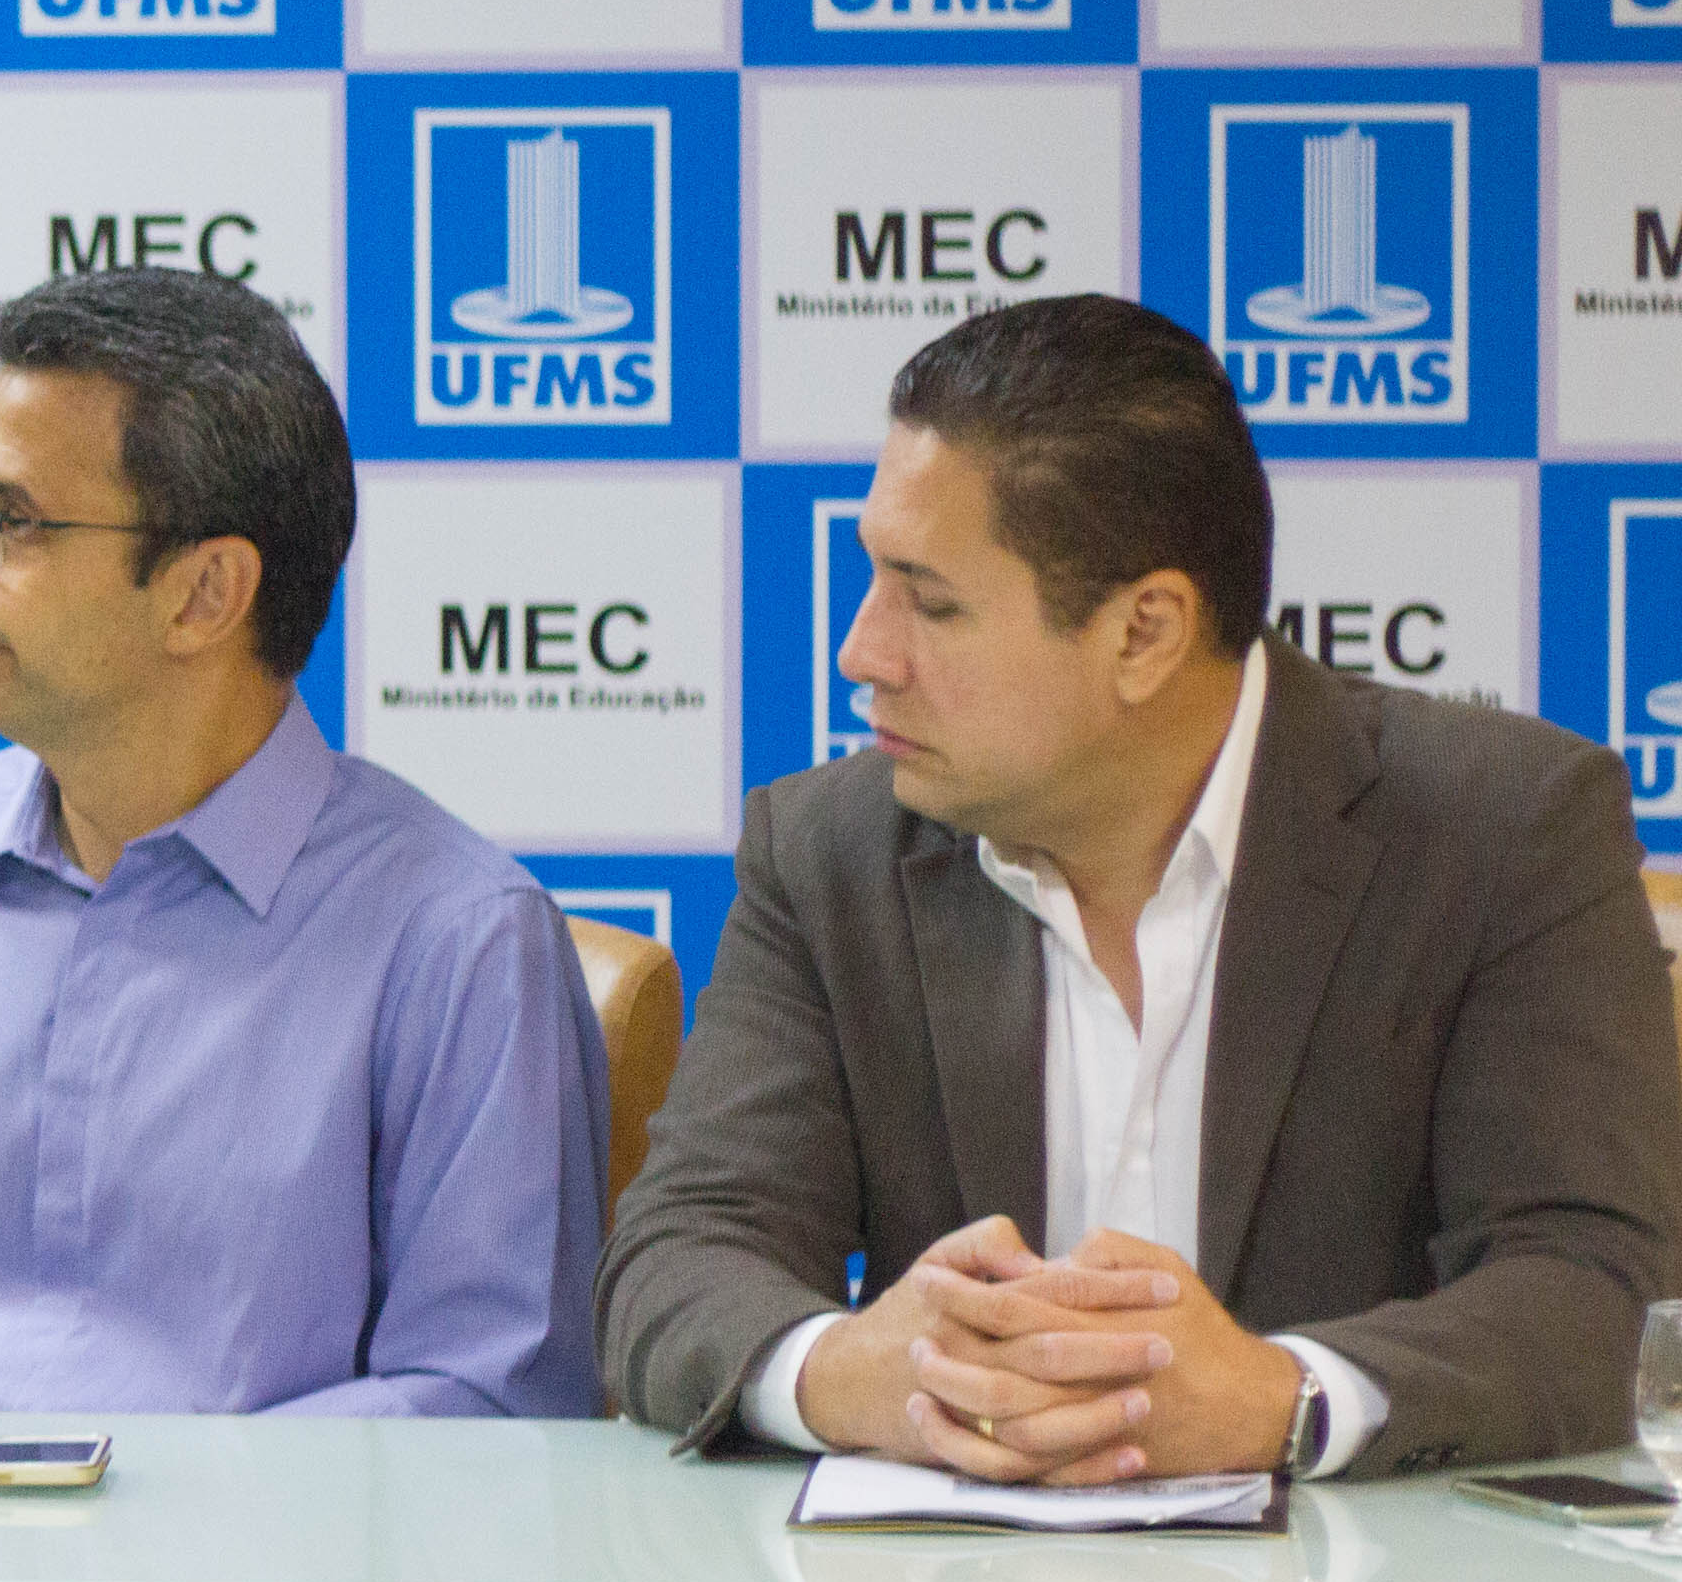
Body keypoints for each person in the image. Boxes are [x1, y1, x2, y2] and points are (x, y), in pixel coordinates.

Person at [603, 295, 1682, 1480]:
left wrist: (1284, 1400)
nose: (863, 651)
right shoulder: (825, 854)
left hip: (1371, 1579)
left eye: (933, 602)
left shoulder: (1504, 831)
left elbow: (1594, 1289)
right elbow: (681, 1252)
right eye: (874, 579)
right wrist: (852, 1372)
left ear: (1144, 634)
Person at [0, 268, 609, 1420]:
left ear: (205, 593)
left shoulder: (458, 944)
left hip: (242, 1542)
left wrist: (137, 1513)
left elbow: (485, 1404)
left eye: (11, 523)